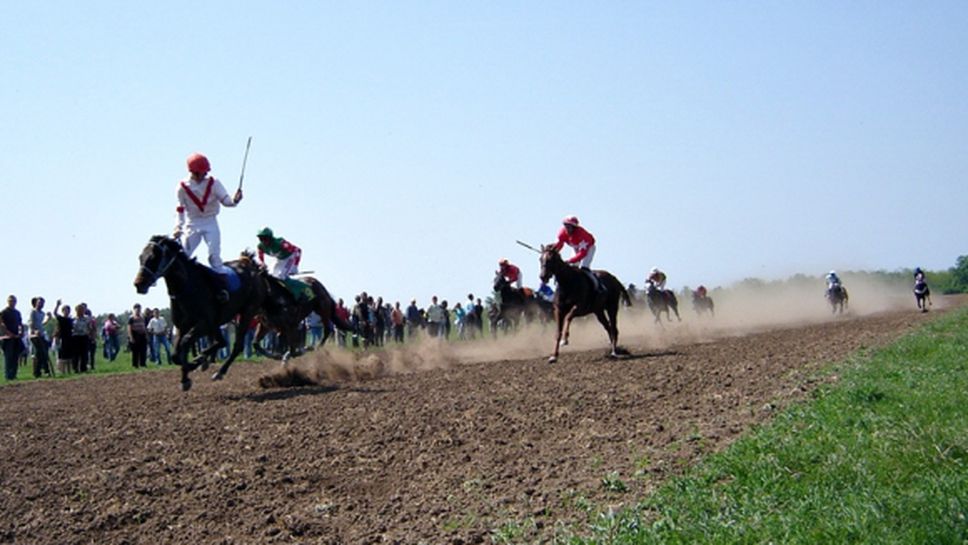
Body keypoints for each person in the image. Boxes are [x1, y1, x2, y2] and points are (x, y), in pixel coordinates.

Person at [173, 152, 243, 300]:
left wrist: (235, 200)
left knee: (214, 255)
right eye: (202, 171)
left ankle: (222, 289)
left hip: (210, 221)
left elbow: (227, 201)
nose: (205, 174)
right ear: (193, 172)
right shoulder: (182, 187)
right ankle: (181, 288)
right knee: (183, 255)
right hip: (192, 223)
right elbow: (180, 209)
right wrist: (178, 227)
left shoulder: (214, 182)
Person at [552, 215, 603, 292]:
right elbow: (559, 245)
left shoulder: (581, 235)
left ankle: (598, 287)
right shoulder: (562, 232)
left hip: (588, 249)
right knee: (571, 268)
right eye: (566, 225)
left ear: (574, 227)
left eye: (569, 226)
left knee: (584, 268)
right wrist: (550, 253)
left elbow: (582, 253)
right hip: (576, 248)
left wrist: (570, 260)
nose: (567, 228)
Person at [29, 297, 53, 378]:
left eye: (42, 303)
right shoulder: (33, 312)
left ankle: (42, 371)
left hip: (41, 335)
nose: (41, 304)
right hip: (34, 335)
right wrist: (35, 331)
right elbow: (31, 323)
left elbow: (41, 324)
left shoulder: (42, 313)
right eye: (39, 303)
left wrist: (48, 319)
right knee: (39, 353)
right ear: (36, 303)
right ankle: (40, 371)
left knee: (43, 353)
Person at [1, 295, 24, 380]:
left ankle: (13, 375)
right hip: (7, 338)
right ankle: (8, 375)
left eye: (14, 301)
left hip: (16, 337)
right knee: (8, 357)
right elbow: (1, 324)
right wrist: (8, 333)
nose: (12, 303)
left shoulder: (17, 313)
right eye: (10, 301)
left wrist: (21, 332)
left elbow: (20, 324)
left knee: (15, 357)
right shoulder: (4, 312)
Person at [127, 304, 148, 368]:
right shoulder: (131, 318)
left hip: (142, 335)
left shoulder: (142, 317)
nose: (138, 310)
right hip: (135, 334)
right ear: (134, 309)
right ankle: (135, 364)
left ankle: (143, 364)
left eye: (139, 309)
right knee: (135, 351)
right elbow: (129, 328)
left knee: (143, 350)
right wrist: (131, 337)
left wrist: (146, 334)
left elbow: (144, 326)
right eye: (137, 309)